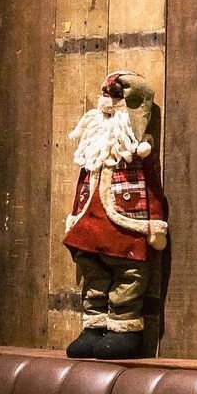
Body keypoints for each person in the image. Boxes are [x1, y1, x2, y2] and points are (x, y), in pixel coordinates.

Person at [64, 71, 168, 359]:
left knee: (129, 274)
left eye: (116, 97)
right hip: (89, 222)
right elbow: (82, 182)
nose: (107, 103)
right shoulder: (93, 144)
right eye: (105, 96)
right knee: (92, 269)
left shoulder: (139, 149)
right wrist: (74, 216)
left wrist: (155, 224)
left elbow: (153, 185)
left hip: (127, 223)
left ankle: (124, 329)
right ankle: (93, 326)